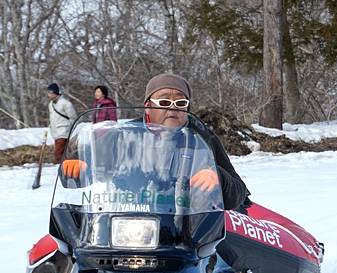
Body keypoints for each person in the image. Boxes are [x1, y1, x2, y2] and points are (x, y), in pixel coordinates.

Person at [62, 73, 249, 210]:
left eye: (181, 103)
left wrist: (217, 177)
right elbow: (90, 170)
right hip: (126, 220)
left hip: (187, 225)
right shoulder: (122, 136)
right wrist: (75, 168)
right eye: (165, 102)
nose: (173, 109)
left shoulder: (202, 138)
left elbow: (238, 192)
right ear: (148, 106)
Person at [47, 83, 77, 163]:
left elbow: (73, 118)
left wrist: (69, 129)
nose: (48, 95)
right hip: (55, 132)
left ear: (55, 93)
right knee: (62, 153)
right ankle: (65, 168)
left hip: (64, 131)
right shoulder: (50, 104)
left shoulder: (66, 103)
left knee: (58, 154)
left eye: (50, 93)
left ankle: (61, 168)